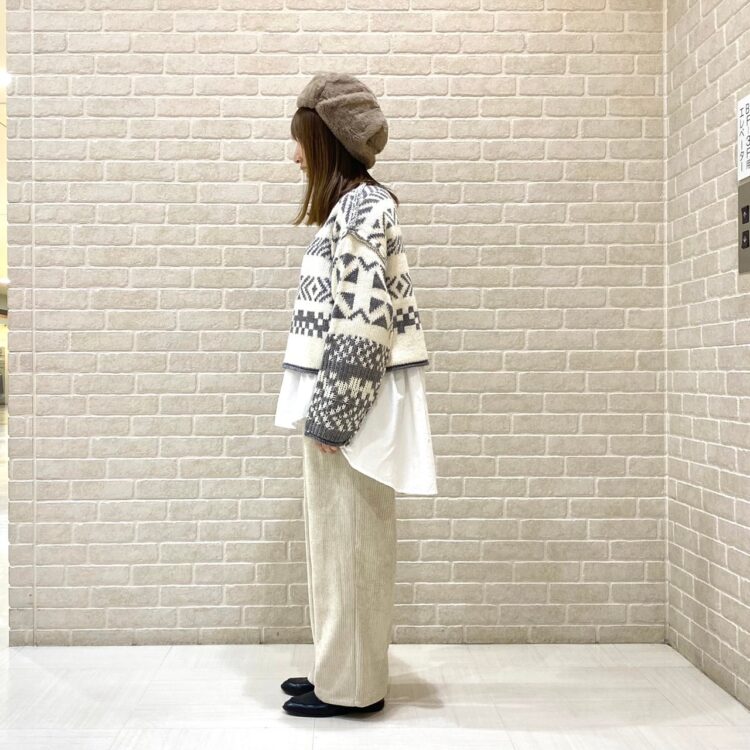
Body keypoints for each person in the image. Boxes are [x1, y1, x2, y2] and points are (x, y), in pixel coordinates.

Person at [274, 73, 436, 718]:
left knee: (350, 548)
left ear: (327, 141)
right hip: (349, 405)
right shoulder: (354, 210)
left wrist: (332, 418)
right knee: (342, 546)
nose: (294, 155)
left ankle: (351, 689)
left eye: (300, 140)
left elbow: (364, 324)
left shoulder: (364, 210)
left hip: (351, 410)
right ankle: (339, 670)